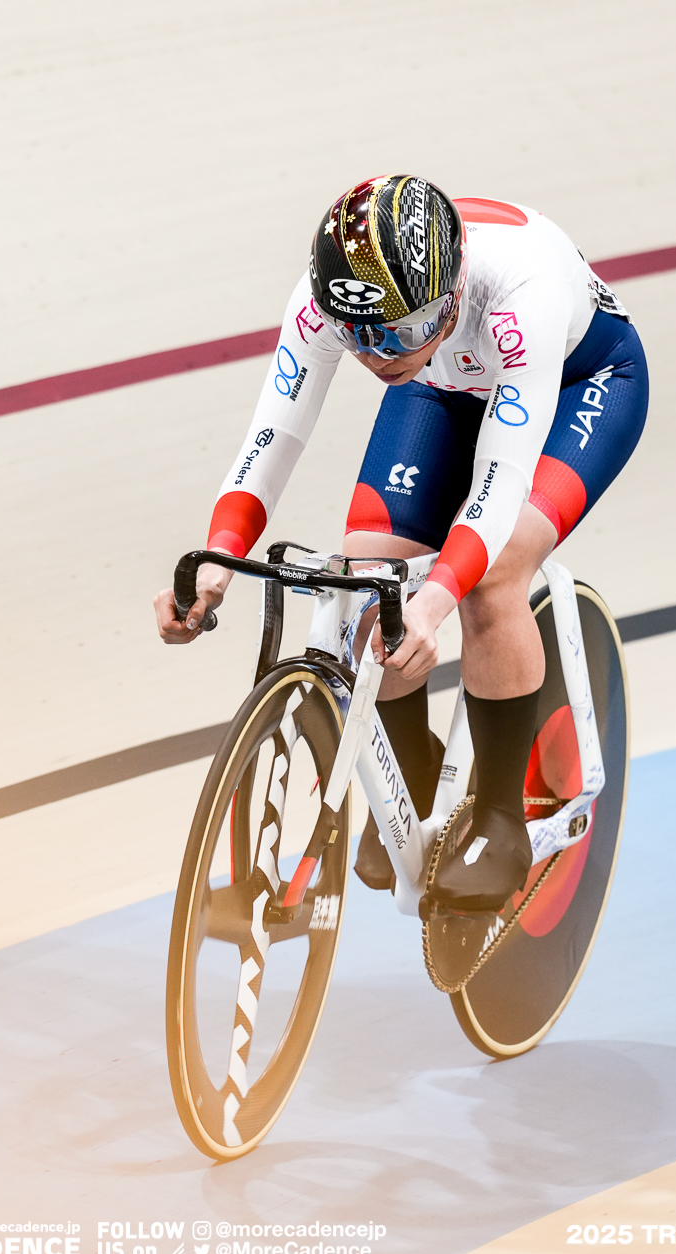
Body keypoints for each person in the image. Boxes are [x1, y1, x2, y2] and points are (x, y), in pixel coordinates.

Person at [153, 174, 648, 912]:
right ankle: (414, 785)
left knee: (491, 575)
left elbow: (499, 480)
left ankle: (501, 819)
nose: (380, 355)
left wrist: (439, 598)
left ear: (450, 301)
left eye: (402, 332)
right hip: (445, 380)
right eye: (362, 339)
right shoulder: (343, 303)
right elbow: (274, 435)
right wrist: (218, 558)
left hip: (580, 382)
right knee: (366, 579)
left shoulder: (523, 295)